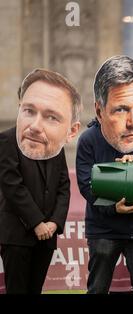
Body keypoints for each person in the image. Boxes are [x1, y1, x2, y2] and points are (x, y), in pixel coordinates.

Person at [76, 55, 133, 294]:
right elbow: (86, 185)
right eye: (122, 109)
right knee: (97, 289)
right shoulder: (88, 141)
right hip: (103, 232)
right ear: (99, 111)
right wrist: (113, 207)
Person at [0, 69, 82, 293]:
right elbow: (12, 186)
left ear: (71, 131)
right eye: (29, 110)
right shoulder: (6, 140)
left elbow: (64, 187)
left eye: (51, 117)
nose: (36, 125)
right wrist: (37, 223)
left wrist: (54, 223)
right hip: (17, 235)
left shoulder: (56, 148)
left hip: (46, 238)